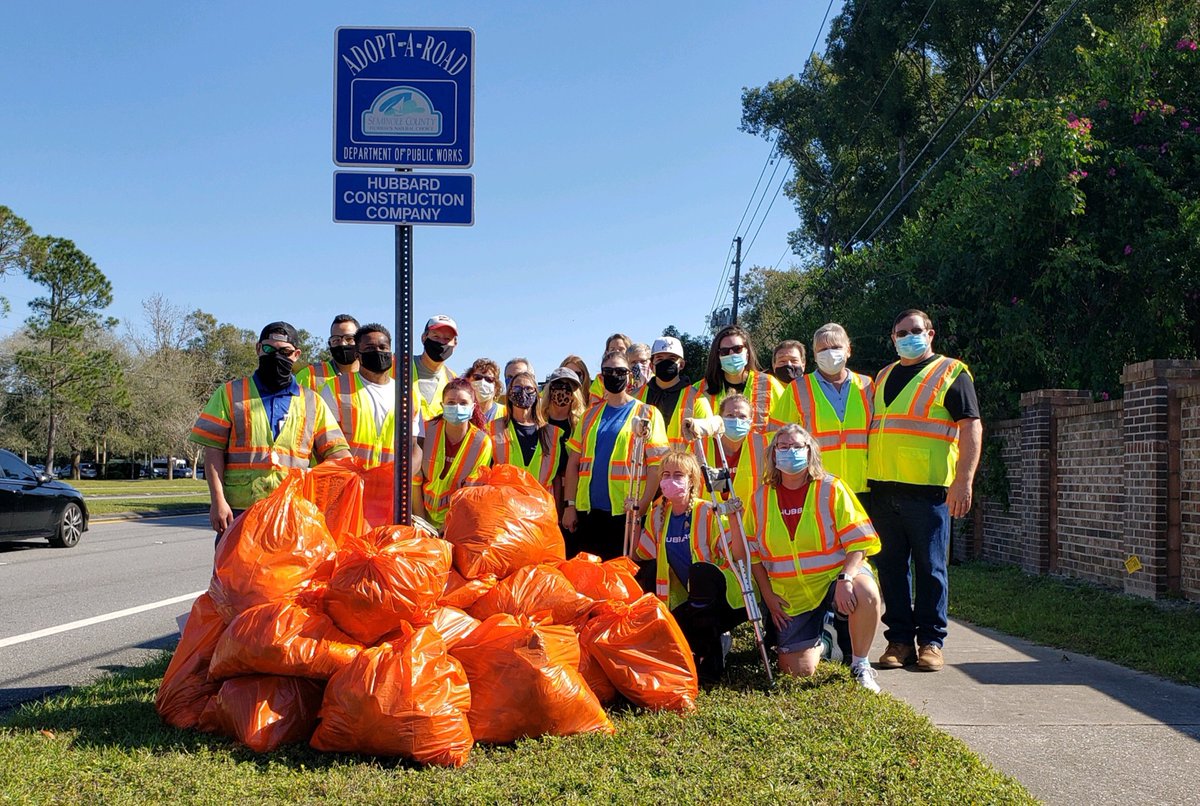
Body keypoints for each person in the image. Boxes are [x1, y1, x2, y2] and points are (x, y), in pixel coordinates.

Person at [869, 309, 982, 673]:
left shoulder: (951, 372)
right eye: (901, 332)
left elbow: (970, 427)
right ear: (892, 338)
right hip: (883, 489)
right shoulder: (884, 375)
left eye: (915, 330)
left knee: (931, 569)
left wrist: (964, 480)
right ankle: (899, 641)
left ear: (930, 334)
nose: (908, 336)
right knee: (890, 568)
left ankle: (931, 642)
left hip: (929, 491)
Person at [734, 424, 883, 691]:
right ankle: (827, 639)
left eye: (797, 446)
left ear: (810, 451)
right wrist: (767, 596)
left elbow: (859, 541)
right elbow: (752, 554)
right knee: (796, 672)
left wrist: (846, 578)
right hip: (793, 594)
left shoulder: (832, 488)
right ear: (773, 453)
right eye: (783, 446)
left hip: (834, 578)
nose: (790, 451)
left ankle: (860, 664)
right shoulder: (760, 498)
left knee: (866, 591)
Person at [189, 321, 350, 541]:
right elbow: (213, 450)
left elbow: (338, 456)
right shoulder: (230, 393)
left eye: (285, 352)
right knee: (234, 575)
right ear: (258, 349)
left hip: (293, 513)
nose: (276, 356)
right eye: (269, 349)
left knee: (287, 576)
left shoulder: (313, 402)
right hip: (240, 511)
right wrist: (218, 501)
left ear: (296, 355)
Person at [634, 449, 749, 683]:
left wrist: (736, 519)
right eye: (665, 475)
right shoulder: (658, 514)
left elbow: (737, 554)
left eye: (678, 475)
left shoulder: (708, 511)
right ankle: (703, 643)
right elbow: (639, 554)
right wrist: (634, 515)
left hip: (726, 595)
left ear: (692, 481)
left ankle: (712, 662)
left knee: (701, 572)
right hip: (686, 598)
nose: (670, 481)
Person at [563, 349, 668, 561]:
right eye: (608, 371)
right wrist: (570, 506)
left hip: (626, 514)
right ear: (601, 378)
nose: (614, 376)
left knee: (623, 579)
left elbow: (656, 467)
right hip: (589, 512)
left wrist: (641, 508)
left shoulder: (648, 413)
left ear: (629, 375)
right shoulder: (589, 415)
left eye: (620, 371)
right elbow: (574, 464)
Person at [768, 323, 873, 497]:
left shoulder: (867, 385)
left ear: (848, 350)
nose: (830, 353)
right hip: (816, 486)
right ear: (815, 355)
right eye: (823, 349)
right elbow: (774, 437)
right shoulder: (797, 389)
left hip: (863, 488)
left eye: (836, 347)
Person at [319, 323, 417, 469]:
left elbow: (414, 446)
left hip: (389, 486)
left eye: (383, 348)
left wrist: (403, 475)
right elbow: (328, 444)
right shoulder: (334, 388)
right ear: (357, 355)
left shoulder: (407, 395)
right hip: (349, 483)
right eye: (369, 348)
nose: (378, 352)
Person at [412, 377, 493, 531]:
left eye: (463, 403)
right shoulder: (427, 431)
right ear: (442, 405)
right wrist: (422, 522)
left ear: (473, 407)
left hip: (456, 522)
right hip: (420, 518)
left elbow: (469, 494)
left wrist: (445, 529)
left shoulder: (482, 443)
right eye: (451, 402)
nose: (457, 407)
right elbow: (415, 480)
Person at [694, 324, 784, 433]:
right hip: (714, 450)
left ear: (747, 353)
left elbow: (785, 425)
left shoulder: (769, 384)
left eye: (737, 349)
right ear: (718, 356)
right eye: (725, 351)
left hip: (758, 450)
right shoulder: (700, 390)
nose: (731, 354)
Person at [491, 370, 564, 500]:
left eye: (528, 388)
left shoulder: (552, 433)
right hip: (505, 511)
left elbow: (557, 478)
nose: (523, 392)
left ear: (536, 394)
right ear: (510, 393)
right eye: (517, 387)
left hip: (540, 512)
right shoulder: (493, 429)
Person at [637, 336, 713, 450]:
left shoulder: (697, 400)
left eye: (672, 359)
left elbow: (706, 446)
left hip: (682, 467)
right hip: (643, 467)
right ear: (651, 365)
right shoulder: (635, 397)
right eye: (660, 359)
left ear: (681, 365)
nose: (666, 363)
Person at [703, 394, 770, 506]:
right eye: (730, 415)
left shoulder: (764, 445)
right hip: (710, 518)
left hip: (748, 519)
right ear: (720, 418)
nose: (736, 420)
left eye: (742, 416)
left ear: (750, 421)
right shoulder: (701, 446)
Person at [413, 314, 459, 427]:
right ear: (424, 338)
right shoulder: (397, 366)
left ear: (455, 344)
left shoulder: (452, 380)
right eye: (436, 337)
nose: (441, 342)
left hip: (433, 444)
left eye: (447, 339)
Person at [295, 314, 360, 391]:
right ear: (330, 344)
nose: (343, 343)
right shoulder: (308, 376)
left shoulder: (372, 376)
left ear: (360, 341)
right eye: (336, 340)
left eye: (349, 339)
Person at [588, 333, 630, 404]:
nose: (616, 352)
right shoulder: (600, 379)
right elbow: (593, 405)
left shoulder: (637, 376)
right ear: (607, 352)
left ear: (629, 352)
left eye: (621, 349)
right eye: (612, 349)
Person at [464, 358, 506, 424]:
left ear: (496, 387)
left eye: (489, 379)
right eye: (477, 377)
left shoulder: (506, 413)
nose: (482, 382)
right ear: (467, 381)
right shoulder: (461, 412)